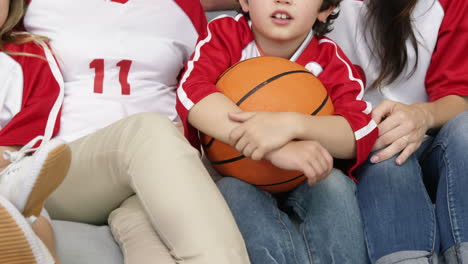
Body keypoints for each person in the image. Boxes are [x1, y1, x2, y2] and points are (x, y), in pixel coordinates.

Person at [22, 0, 250, 263]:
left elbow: (197, 85)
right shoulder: (36, 5)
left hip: (155, 165)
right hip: (67, 168)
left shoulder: (184, 7)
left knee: (152, 236)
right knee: (149, 128)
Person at [176, 0, 378, 262]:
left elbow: (358, 130)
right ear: (246, 2)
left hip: (306, 175)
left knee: (334, 185)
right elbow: (192, 91)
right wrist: (276, 147)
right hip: (238, 173)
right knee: (231, 191)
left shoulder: (330, 60)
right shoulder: (226, 34)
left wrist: (293, 124)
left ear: (324, 9)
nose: (284, 0)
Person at [324, 0, 468, 262]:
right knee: (386, 155)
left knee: (466, 129)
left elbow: (458, 95)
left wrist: (422, 115)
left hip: (429, 139)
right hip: (357, 146)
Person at [0, 0, 70, 262]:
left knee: (33, 217)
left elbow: (40, 115)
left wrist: (7, 156)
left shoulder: (29, 52)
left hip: (6, 163)